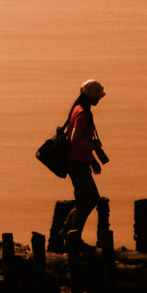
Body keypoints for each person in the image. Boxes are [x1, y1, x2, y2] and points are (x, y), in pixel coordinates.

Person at [63, 79, 107, 243]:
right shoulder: (83, 113)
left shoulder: (78, 109)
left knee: (85, 199)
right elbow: (75, 139)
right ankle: (72, 235)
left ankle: (69, 232)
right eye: (98, 96)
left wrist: (92, 160)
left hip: (79, 161)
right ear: (91, 97)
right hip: (77, 163)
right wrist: (92, 145)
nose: (99, 99)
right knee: (90, 199)